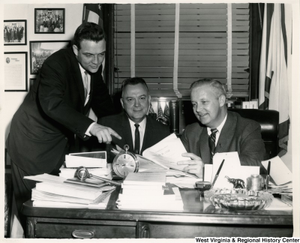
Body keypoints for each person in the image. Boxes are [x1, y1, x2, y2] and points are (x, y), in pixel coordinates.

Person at [6, 22, 121, 222]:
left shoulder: (94, 64)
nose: (96, 62)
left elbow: (104, 104)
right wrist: (92, 126)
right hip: (31, 145)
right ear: (76, 49)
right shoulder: (55, 64)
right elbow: (52, 104)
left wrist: (124, 136)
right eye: (89, 55)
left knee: (58, 209)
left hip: (58, 145)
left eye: (101, 54)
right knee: (34, 213)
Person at [178, 78, 265, 178]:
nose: (198, 109)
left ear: (221, 100)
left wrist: (207, 172)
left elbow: (253, 164)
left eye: (204, 102)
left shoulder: (248, 128)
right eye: (194, 104)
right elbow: (175, 163)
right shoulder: (191, 131)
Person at [98, 77, 171, 159]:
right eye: (130, 99)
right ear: (122, 103)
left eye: (142, 98)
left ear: (149, 99)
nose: (137, 104)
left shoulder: (163, 132)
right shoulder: (106, 125)